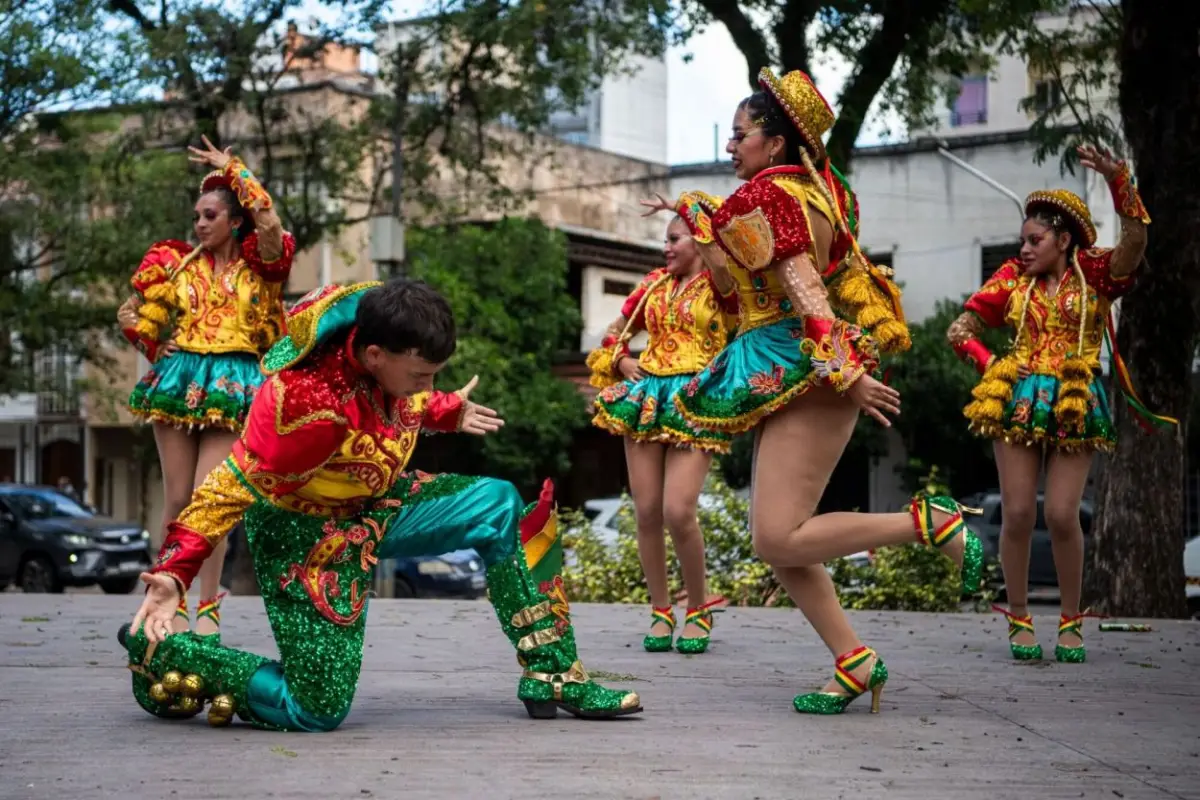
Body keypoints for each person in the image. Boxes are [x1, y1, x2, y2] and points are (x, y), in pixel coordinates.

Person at [118, 279, 642, 730]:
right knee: (316, 708)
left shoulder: (382, 326)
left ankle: (553, 673)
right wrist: (173, 573)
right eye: (421, 376)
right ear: (373, 356)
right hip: (307, 537)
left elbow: (401, 400)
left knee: (498, 504)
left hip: (380, 504)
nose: (428, 386)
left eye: (435, 375)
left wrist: (444, 409)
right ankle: (166, 652)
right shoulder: (308, 410)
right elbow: (227, 488)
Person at [644, 67, 984, 715]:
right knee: (780, 537)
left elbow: (802, 284)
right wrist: (701, 223)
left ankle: (928, 523)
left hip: (803, 360)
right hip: (802, 359)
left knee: (776, 538)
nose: (730, 146)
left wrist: (843, 367)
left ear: (773, 143)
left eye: (739, 135)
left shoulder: (768, 198)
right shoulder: (822, 192)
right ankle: (855, 662)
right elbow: (733, 290)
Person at [947, 145, 1165, 662]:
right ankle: (1019, 616)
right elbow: (962, 328)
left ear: (1063, 240)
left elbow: (1135, 243)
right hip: (1018, 400)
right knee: (1019, 512)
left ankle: (1071, 620)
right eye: (1022, 240)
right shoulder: (1010, 281)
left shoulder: (1095, 277)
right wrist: (990, 363)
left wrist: (1120, 183)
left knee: (1065, 515)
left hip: (1075, 399)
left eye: (1034, 240)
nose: (1023, 249)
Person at [117, 136, 294, 643]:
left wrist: (233, 169)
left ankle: (210, 607)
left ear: (233, 220)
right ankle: (162, 599)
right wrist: (152, 346)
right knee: (175, 500)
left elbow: (270, 222)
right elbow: (134, 315)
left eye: (210, 214)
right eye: (196, 215)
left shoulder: (262, 265)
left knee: (209, 498)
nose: (199, 224)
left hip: (234, 382)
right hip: (179, 383)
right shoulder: (178, 262)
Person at [586, 215, 738, 654]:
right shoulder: (652, 284)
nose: (666, 248)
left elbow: (735, 305)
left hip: (696, 398)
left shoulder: (720, 283)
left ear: (700, 240)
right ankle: (659, 610)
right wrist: (621, 362)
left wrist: (691, 209)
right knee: (647, 509)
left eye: (674, 239)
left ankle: (699, 607)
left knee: (678, 510)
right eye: (665, 240)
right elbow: (612, 336)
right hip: (647, 397)